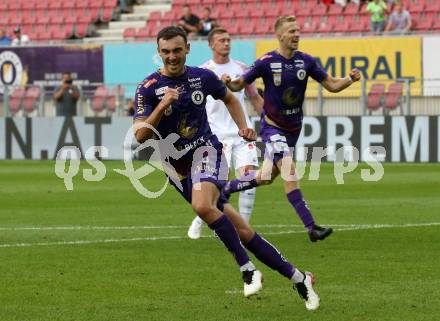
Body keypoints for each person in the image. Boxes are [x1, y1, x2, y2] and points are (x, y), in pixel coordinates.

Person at [133, 26, 320, 310]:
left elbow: (231, 98)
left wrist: (243, 126)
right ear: (159, 52)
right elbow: (140, 135)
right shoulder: (147, 88)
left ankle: (247, 269)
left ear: (187, 49)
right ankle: (299, 277)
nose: (172, 57)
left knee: (201, 206)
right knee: (241, 229)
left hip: (208, 151)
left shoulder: (201, 77)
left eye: (177, 50)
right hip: (177, 170)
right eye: (166, 51)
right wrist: (162, 106)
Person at [221, 15, 361, 242]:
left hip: (293, 129)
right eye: (291, 31)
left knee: (266, 177)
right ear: (280, 35)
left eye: (298, 30)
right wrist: (228, 82)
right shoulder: (266, 62)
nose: (296, 34)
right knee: (290, 172)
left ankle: (226, 189)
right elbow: (239, 83)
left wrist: (349, 79)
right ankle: (311, 227)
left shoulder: (306, 61)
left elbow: (332, 85)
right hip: (272, 128)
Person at [187, 28, 263, 239]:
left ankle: (243, 227)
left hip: (242, 132)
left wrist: (267, 122)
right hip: (216, 136)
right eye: (222, 40)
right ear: (211, 44)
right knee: (217, 182)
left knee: (249, 178)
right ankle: (199, 219)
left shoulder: (241, 68)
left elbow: (254, 97)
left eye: (229, 40)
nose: (226, 43)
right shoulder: (203, 72)